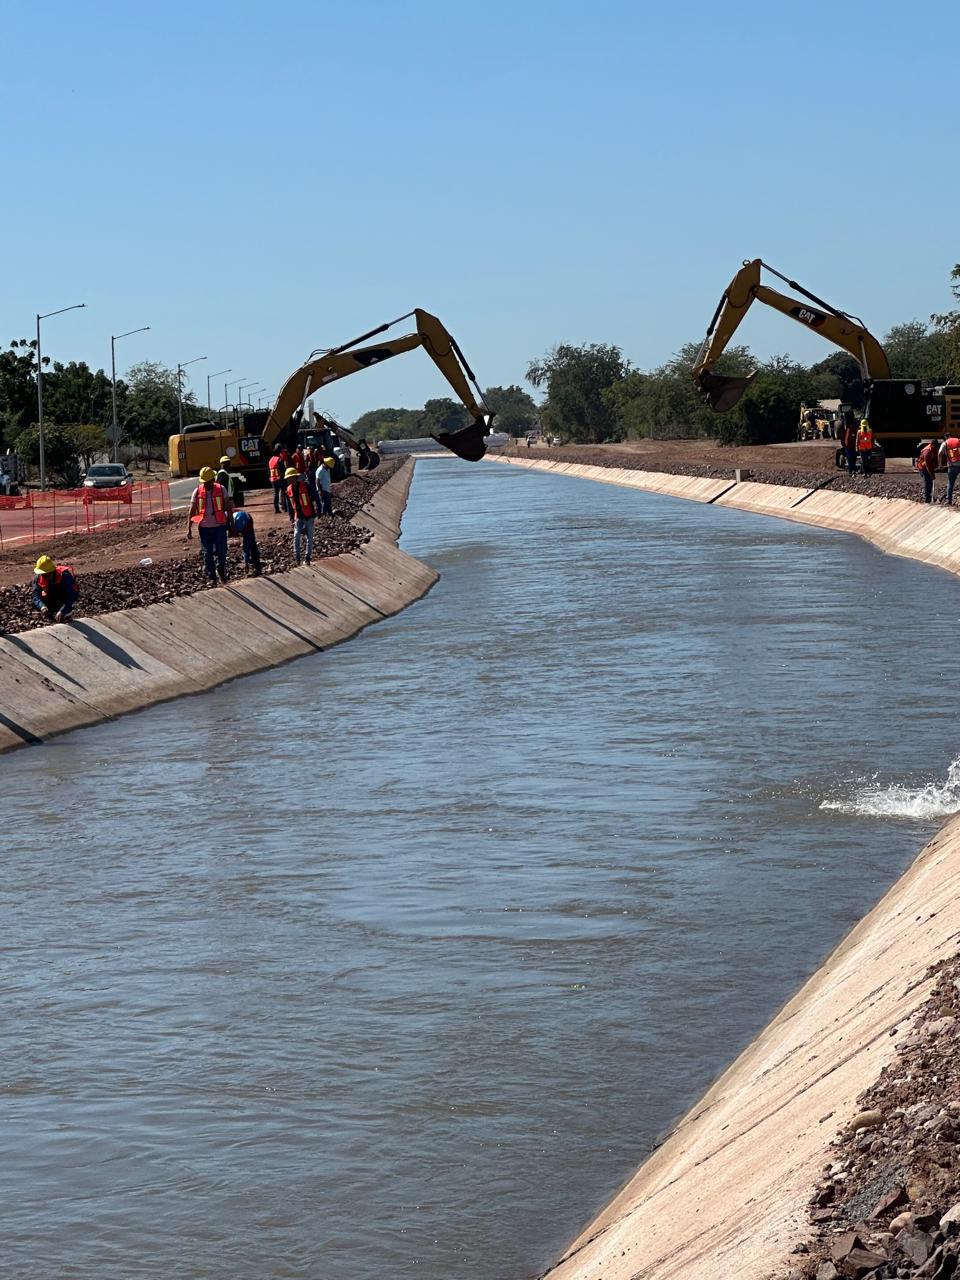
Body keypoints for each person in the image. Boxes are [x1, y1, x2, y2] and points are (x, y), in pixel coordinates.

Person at [187, 465, 233, 583]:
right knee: (207, 554)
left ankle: (221, 569)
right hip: (204, 528)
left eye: (207, 482)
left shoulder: (221, 489)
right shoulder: (197, 491)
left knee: (222, 551)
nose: (205, 484)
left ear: (212, 480)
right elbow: (192, 510)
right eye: (204, 482)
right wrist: (189, 528)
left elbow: (228, 507)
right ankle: (212, 576)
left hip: (219, 527)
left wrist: (232, 524)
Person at [285, 465, 317, 564]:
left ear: (295, 477)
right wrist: (291, 518)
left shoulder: (306, 486)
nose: (289, 481)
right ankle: (297, 557)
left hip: (309, 516)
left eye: (290, 478)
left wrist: (318, 510)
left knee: (309, 537)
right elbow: (289, 506)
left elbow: (315, 497)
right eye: (288, 479)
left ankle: (307, 558)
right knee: (296, 536)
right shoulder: (289, 489)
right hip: (298, 516)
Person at [32, 555, 78, 622]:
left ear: (52, 571)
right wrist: (42, 607)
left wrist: (63, 610)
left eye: (46, 574)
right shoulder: (38, 578)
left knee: (64, 614)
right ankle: (49, 612)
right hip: (50, 598)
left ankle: (66, 613)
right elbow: (35, 595)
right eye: (42, 574)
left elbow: (72, 594)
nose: (44, 576)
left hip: (62, 598)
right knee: (36, 604)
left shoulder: (65, 576)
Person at [231, 509, 262, 575]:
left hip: (245, 519)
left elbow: (245, 545)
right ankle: (254, 565)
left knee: (249, 544)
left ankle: (253, 565)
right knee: (250, 543)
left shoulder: (243, 523)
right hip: (243, 518)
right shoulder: (229, 519)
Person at [916, 439, 939, 504]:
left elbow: (935, 458)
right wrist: (932, 475)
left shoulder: (934, 448)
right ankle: (927, 499)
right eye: (935, 447)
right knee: (927, 482)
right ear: (932, 445)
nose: (936, 448)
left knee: (930, 482)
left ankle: (931, 496)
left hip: (928, 466)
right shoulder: (927, 452)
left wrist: (936, 466)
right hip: (923, 467)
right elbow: (927, 466)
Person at [268, 446, 289, 513]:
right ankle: (286, 508)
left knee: (275, 494)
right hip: (280, 479)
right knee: (285, 493)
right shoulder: (279, 459)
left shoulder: (271, 460)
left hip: (273, 479)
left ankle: (276, 509)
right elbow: (283, 469)